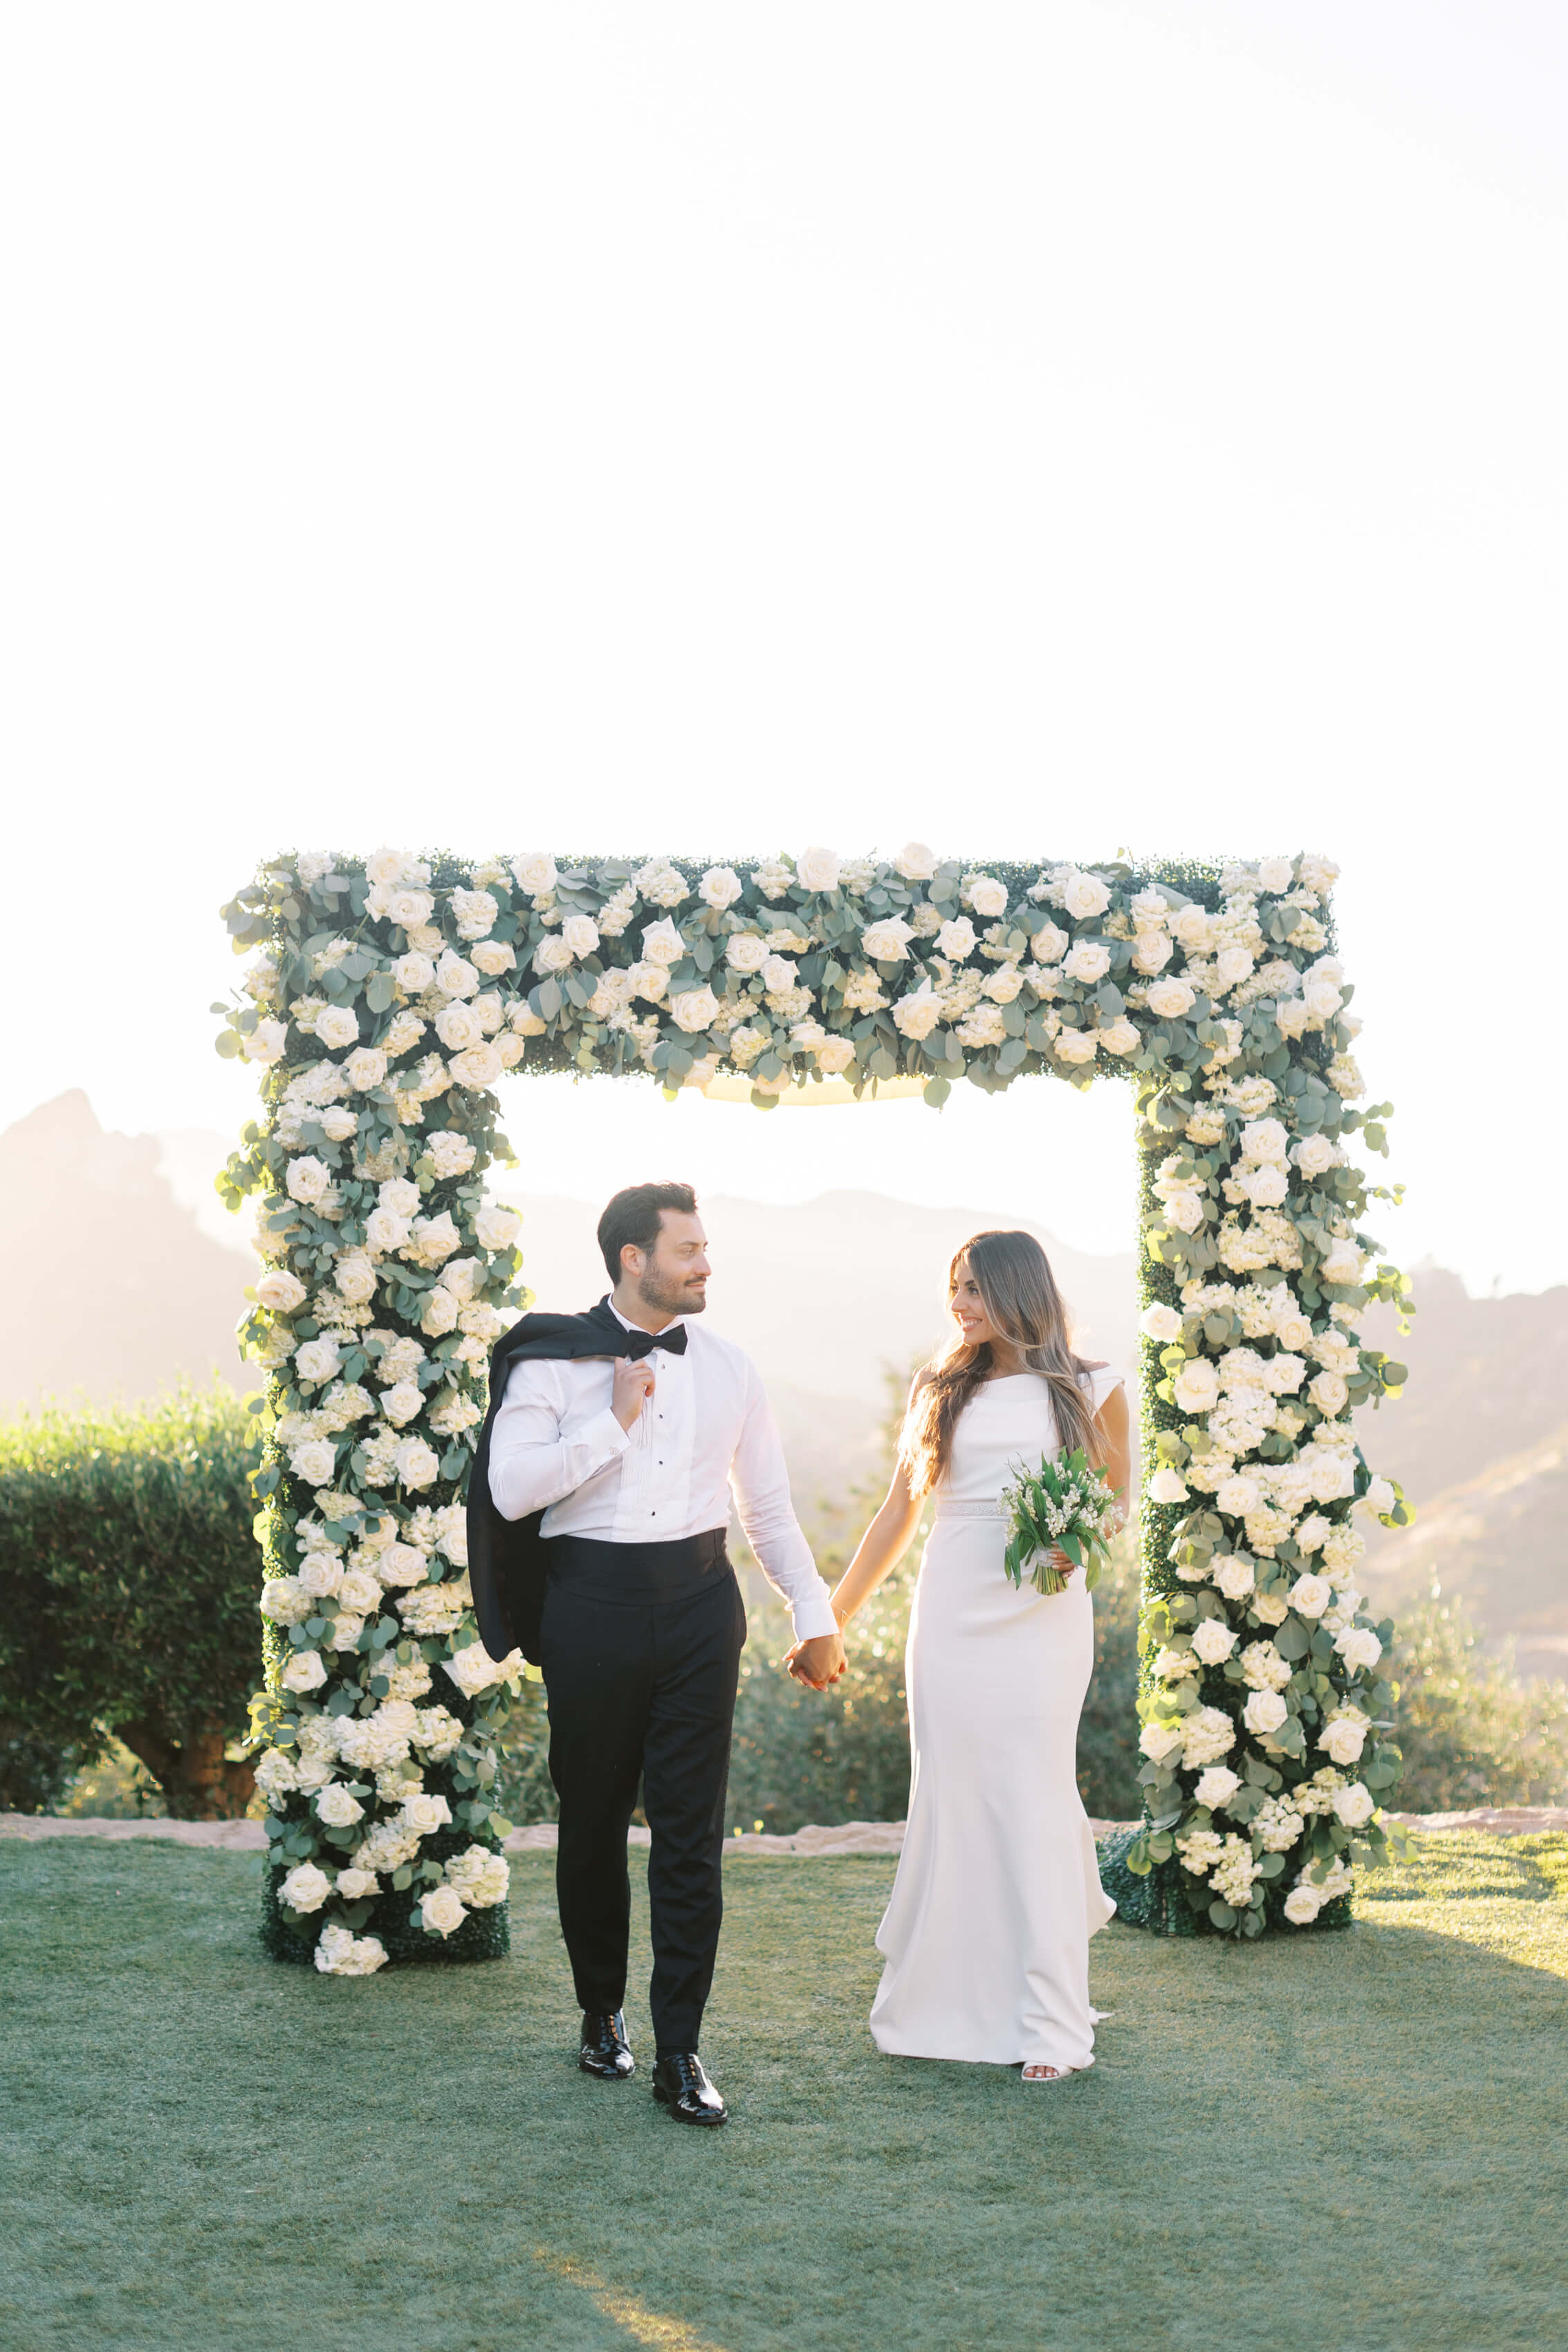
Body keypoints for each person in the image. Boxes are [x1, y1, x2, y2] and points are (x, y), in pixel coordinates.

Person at [480, 1181, 845, 2126]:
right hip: (588, 1608)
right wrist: (611, 1421)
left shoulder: (729, 1367)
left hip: (696, 1608)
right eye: (686, 1249)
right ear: (632, 1259)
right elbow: (514, 1491)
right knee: (593, 1821)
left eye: (704, 1247)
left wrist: (813, 1611)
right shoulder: (552, 1363)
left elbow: (764, 1508)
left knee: (690, 1835)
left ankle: (679, 2050)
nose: (704, 1264)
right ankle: (599, 2012)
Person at [816, 1229, 1129, 2084]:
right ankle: (948, 2001)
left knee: (1030, 1795)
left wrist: (1074, 1543)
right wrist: (830, 1615)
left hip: (1042, 1614)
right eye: (953, 1288)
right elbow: (896, 1512)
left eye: (975, 1291)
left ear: (1018, 1292)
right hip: (950, 1611)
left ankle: (1055, 2023)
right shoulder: (938, 1386)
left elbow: (1114, 1502)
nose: (958, 1305)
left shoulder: (1090, 1386)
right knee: (953, 1796)